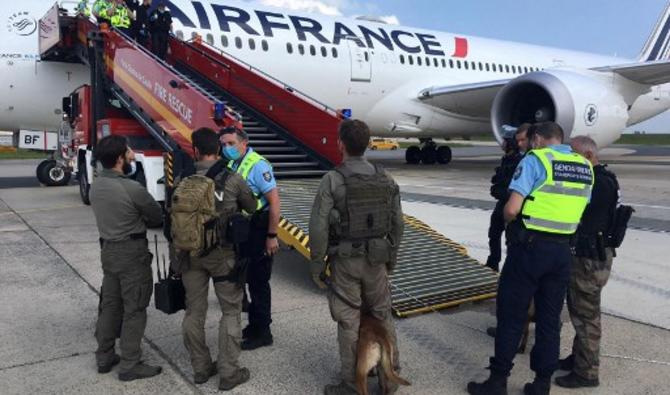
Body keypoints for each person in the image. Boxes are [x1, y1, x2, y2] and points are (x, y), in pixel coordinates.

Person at [467, 122, 594, 395]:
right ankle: (541, 384)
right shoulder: (584, 166)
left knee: (511, 315)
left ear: (537, 138)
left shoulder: (535, 160)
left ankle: (498, 381)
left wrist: (507, 218)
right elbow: (581, 208)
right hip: (562, 253)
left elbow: (512, 208)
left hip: (530, 249)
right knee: (549, 320)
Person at [309, 119, 404, 395]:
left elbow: (318, 225)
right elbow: (398, 223)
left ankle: (352, 384)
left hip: (346, 262)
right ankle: (390, 377)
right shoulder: (385, 177)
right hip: (377, 259)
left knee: (349, 321)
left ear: (341, 144)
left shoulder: (333, 179)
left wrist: (316, 265)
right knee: (382, 314)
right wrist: (392, 258)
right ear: (368, 144)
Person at [173, 128, 257, 390]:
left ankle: (200, 368)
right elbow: (252, 206)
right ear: (218, 150)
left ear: (194, 150)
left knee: (194, 311)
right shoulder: (231, 178)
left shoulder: (181, 178)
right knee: (231, 311)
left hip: (190, 254)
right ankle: (228, 373)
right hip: (223, 255)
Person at [89, 135, 163, 381]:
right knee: (135, 308)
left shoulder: (96, 185)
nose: (132, 155)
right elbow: (156, 217)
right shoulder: (132, 188)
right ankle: (130, 364)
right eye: (129, 152)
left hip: (108, 251)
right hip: (131, 254)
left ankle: (104, 355)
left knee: (110, 305)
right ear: (120, 158)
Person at [555, 136, 619, 389]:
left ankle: (587, 373)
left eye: (574, 156)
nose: (570, 161)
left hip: (589, 261)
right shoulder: (606, 178)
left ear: (589, 156)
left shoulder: (597, 183)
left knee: (586, 315)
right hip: (596, 257)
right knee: (583, 311)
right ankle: (579, 358)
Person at [220, 127, 280, 351]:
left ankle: (263, 331)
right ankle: (254, 325)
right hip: (243, 231)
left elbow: (274, 202)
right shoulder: (233, 163)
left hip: (259, 229)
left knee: (259, 282)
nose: (227, 148)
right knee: (248, 279)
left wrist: (272, 236)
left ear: (244, 143)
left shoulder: (258, 165)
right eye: (224, 144)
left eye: (231, 144)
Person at [485, 123, 530, 272]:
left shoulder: (518, 161)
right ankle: (493, 262)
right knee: (494, 233)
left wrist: (499, 191)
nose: (503, 143)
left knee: (511, 238)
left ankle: (509, 267)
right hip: (502, 203)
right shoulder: (508, 158)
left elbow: (513, 187)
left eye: (505, 140)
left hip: (510, 203)